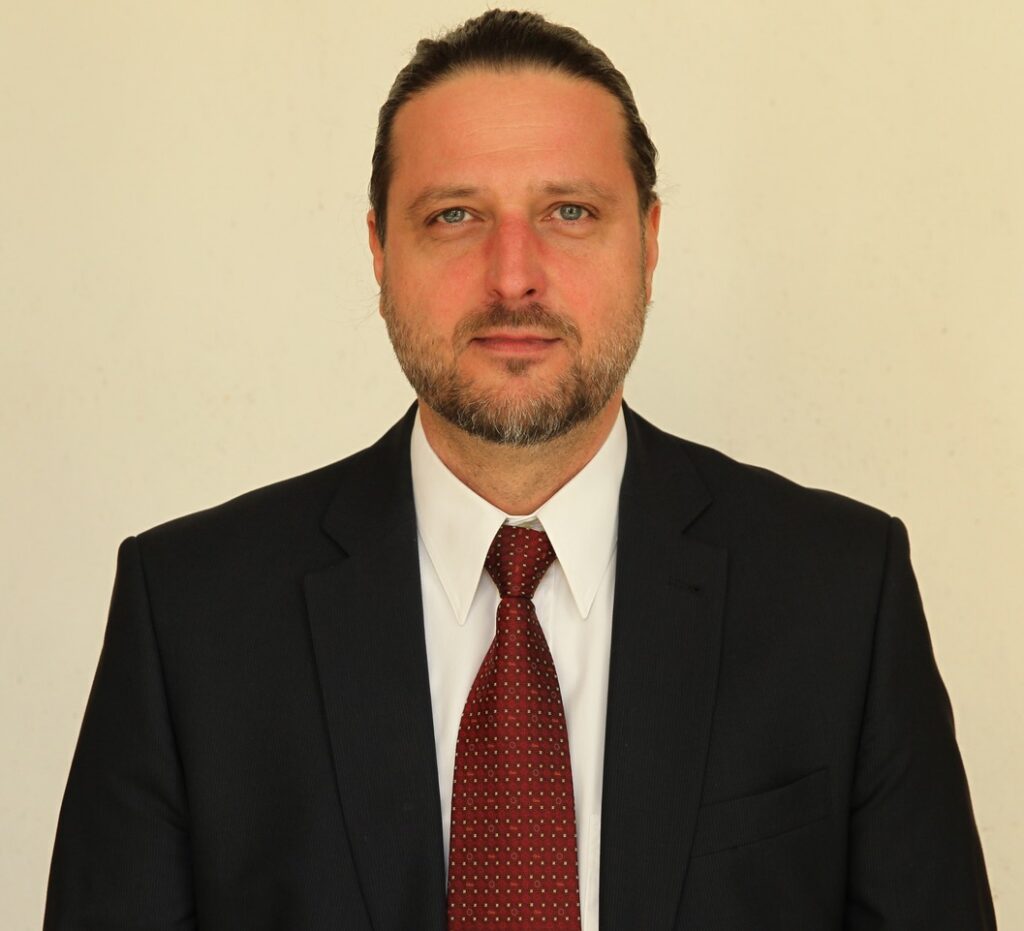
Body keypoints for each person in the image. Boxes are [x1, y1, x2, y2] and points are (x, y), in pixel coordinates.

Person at [45, 9, 995, 930]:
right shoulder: (191, 618)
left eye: (569, 212)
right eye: (454, 215)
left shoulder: (840, 597)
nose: (512, 275)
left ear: (650, 243)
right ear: (378, 249)